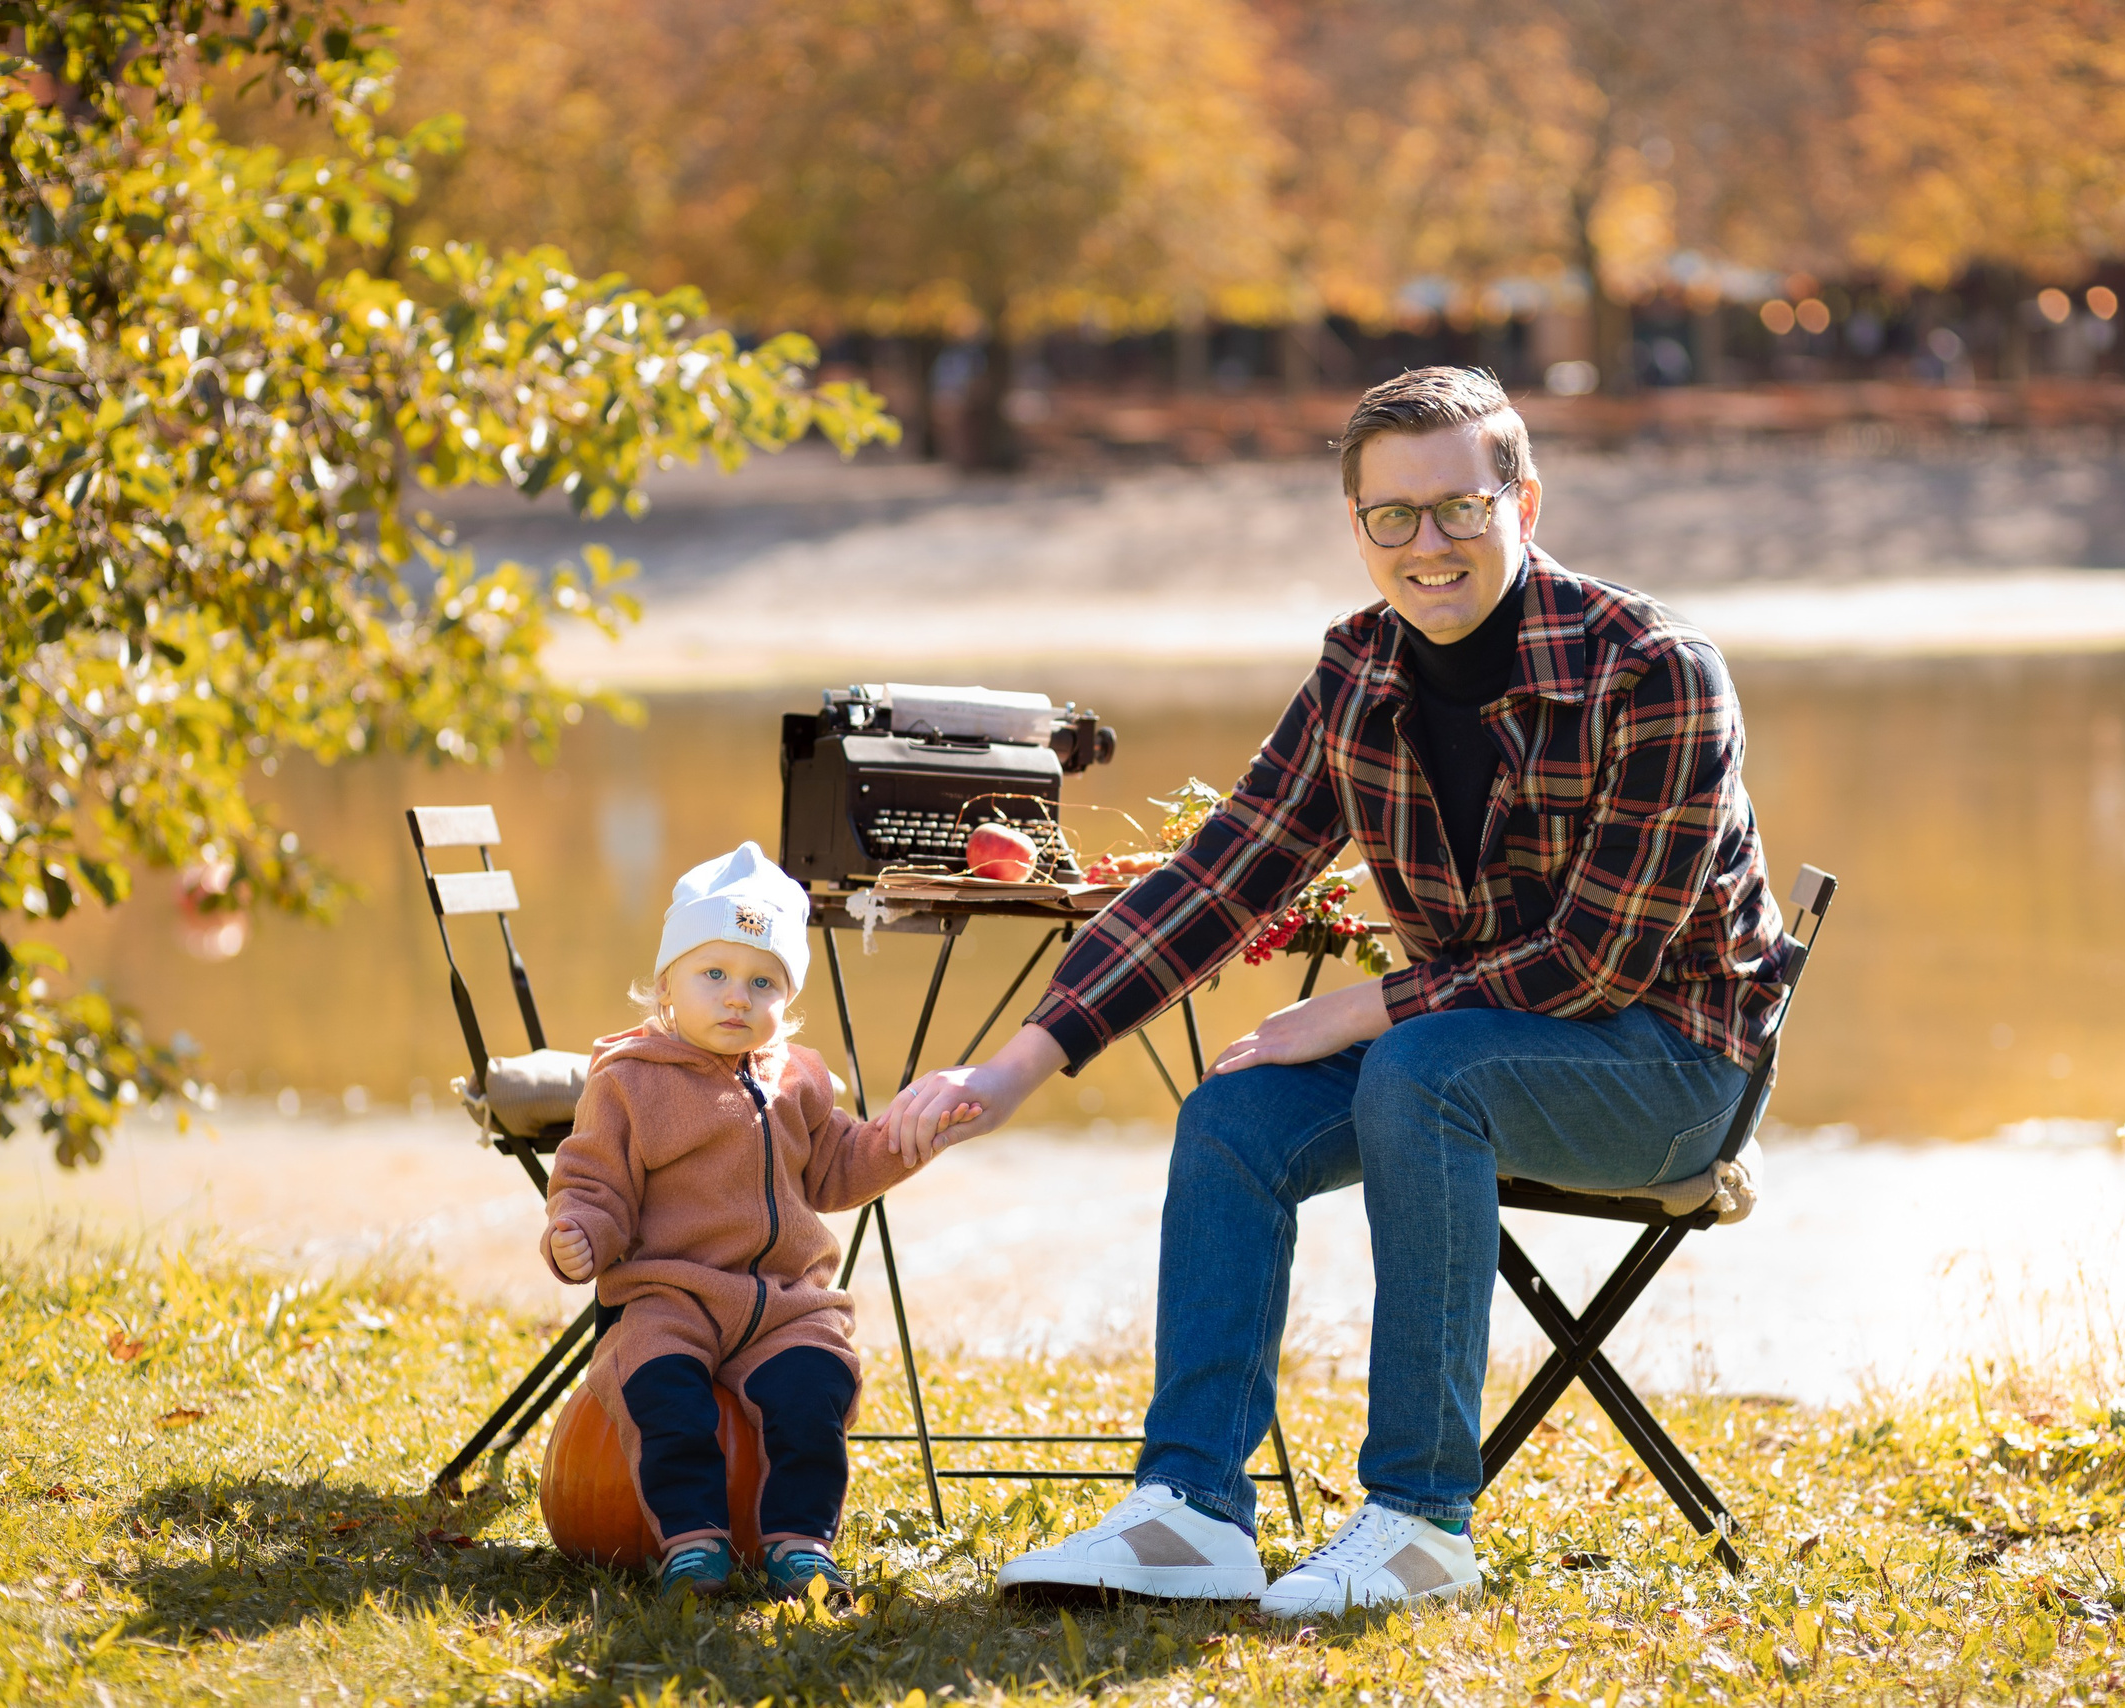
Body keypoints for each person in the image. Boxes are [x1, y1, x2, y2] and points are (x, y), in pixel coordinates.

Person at [884, 366, 1788, 1615]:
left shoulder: (1655, 672)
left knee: (1424, 1069)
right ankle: (1190, 1511)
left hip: (1671, 1069)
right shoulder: (1358, 674)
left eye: (1460, 509)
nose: (1428, 545)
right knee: (1237, 1111)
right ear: (1356, 527)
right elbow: (1219, 880)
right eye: (1391, 517)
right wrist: (1013, 1064)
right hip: (1470, 1045)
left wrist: (1369, 1004)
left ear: (1523, 498)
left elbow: (1598, 961)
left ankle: (1420, 1519)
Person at [542, 841, 977, 1600]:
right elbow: (593, 1183)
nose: (737, 997)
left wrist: (906, 1143)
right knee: (665, 1400)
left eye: (762, 981)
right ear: (667, 984)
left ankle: (799, 1542)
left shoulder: (798, 1077)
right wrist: (580, 1233)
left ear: (786, 994)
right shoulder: (629, 1082)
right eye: (714, 974)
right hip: (669, 1297)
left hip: (781, 1301)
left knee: (815, 1391)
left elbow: (838, 1166)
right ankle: (691, 1543)